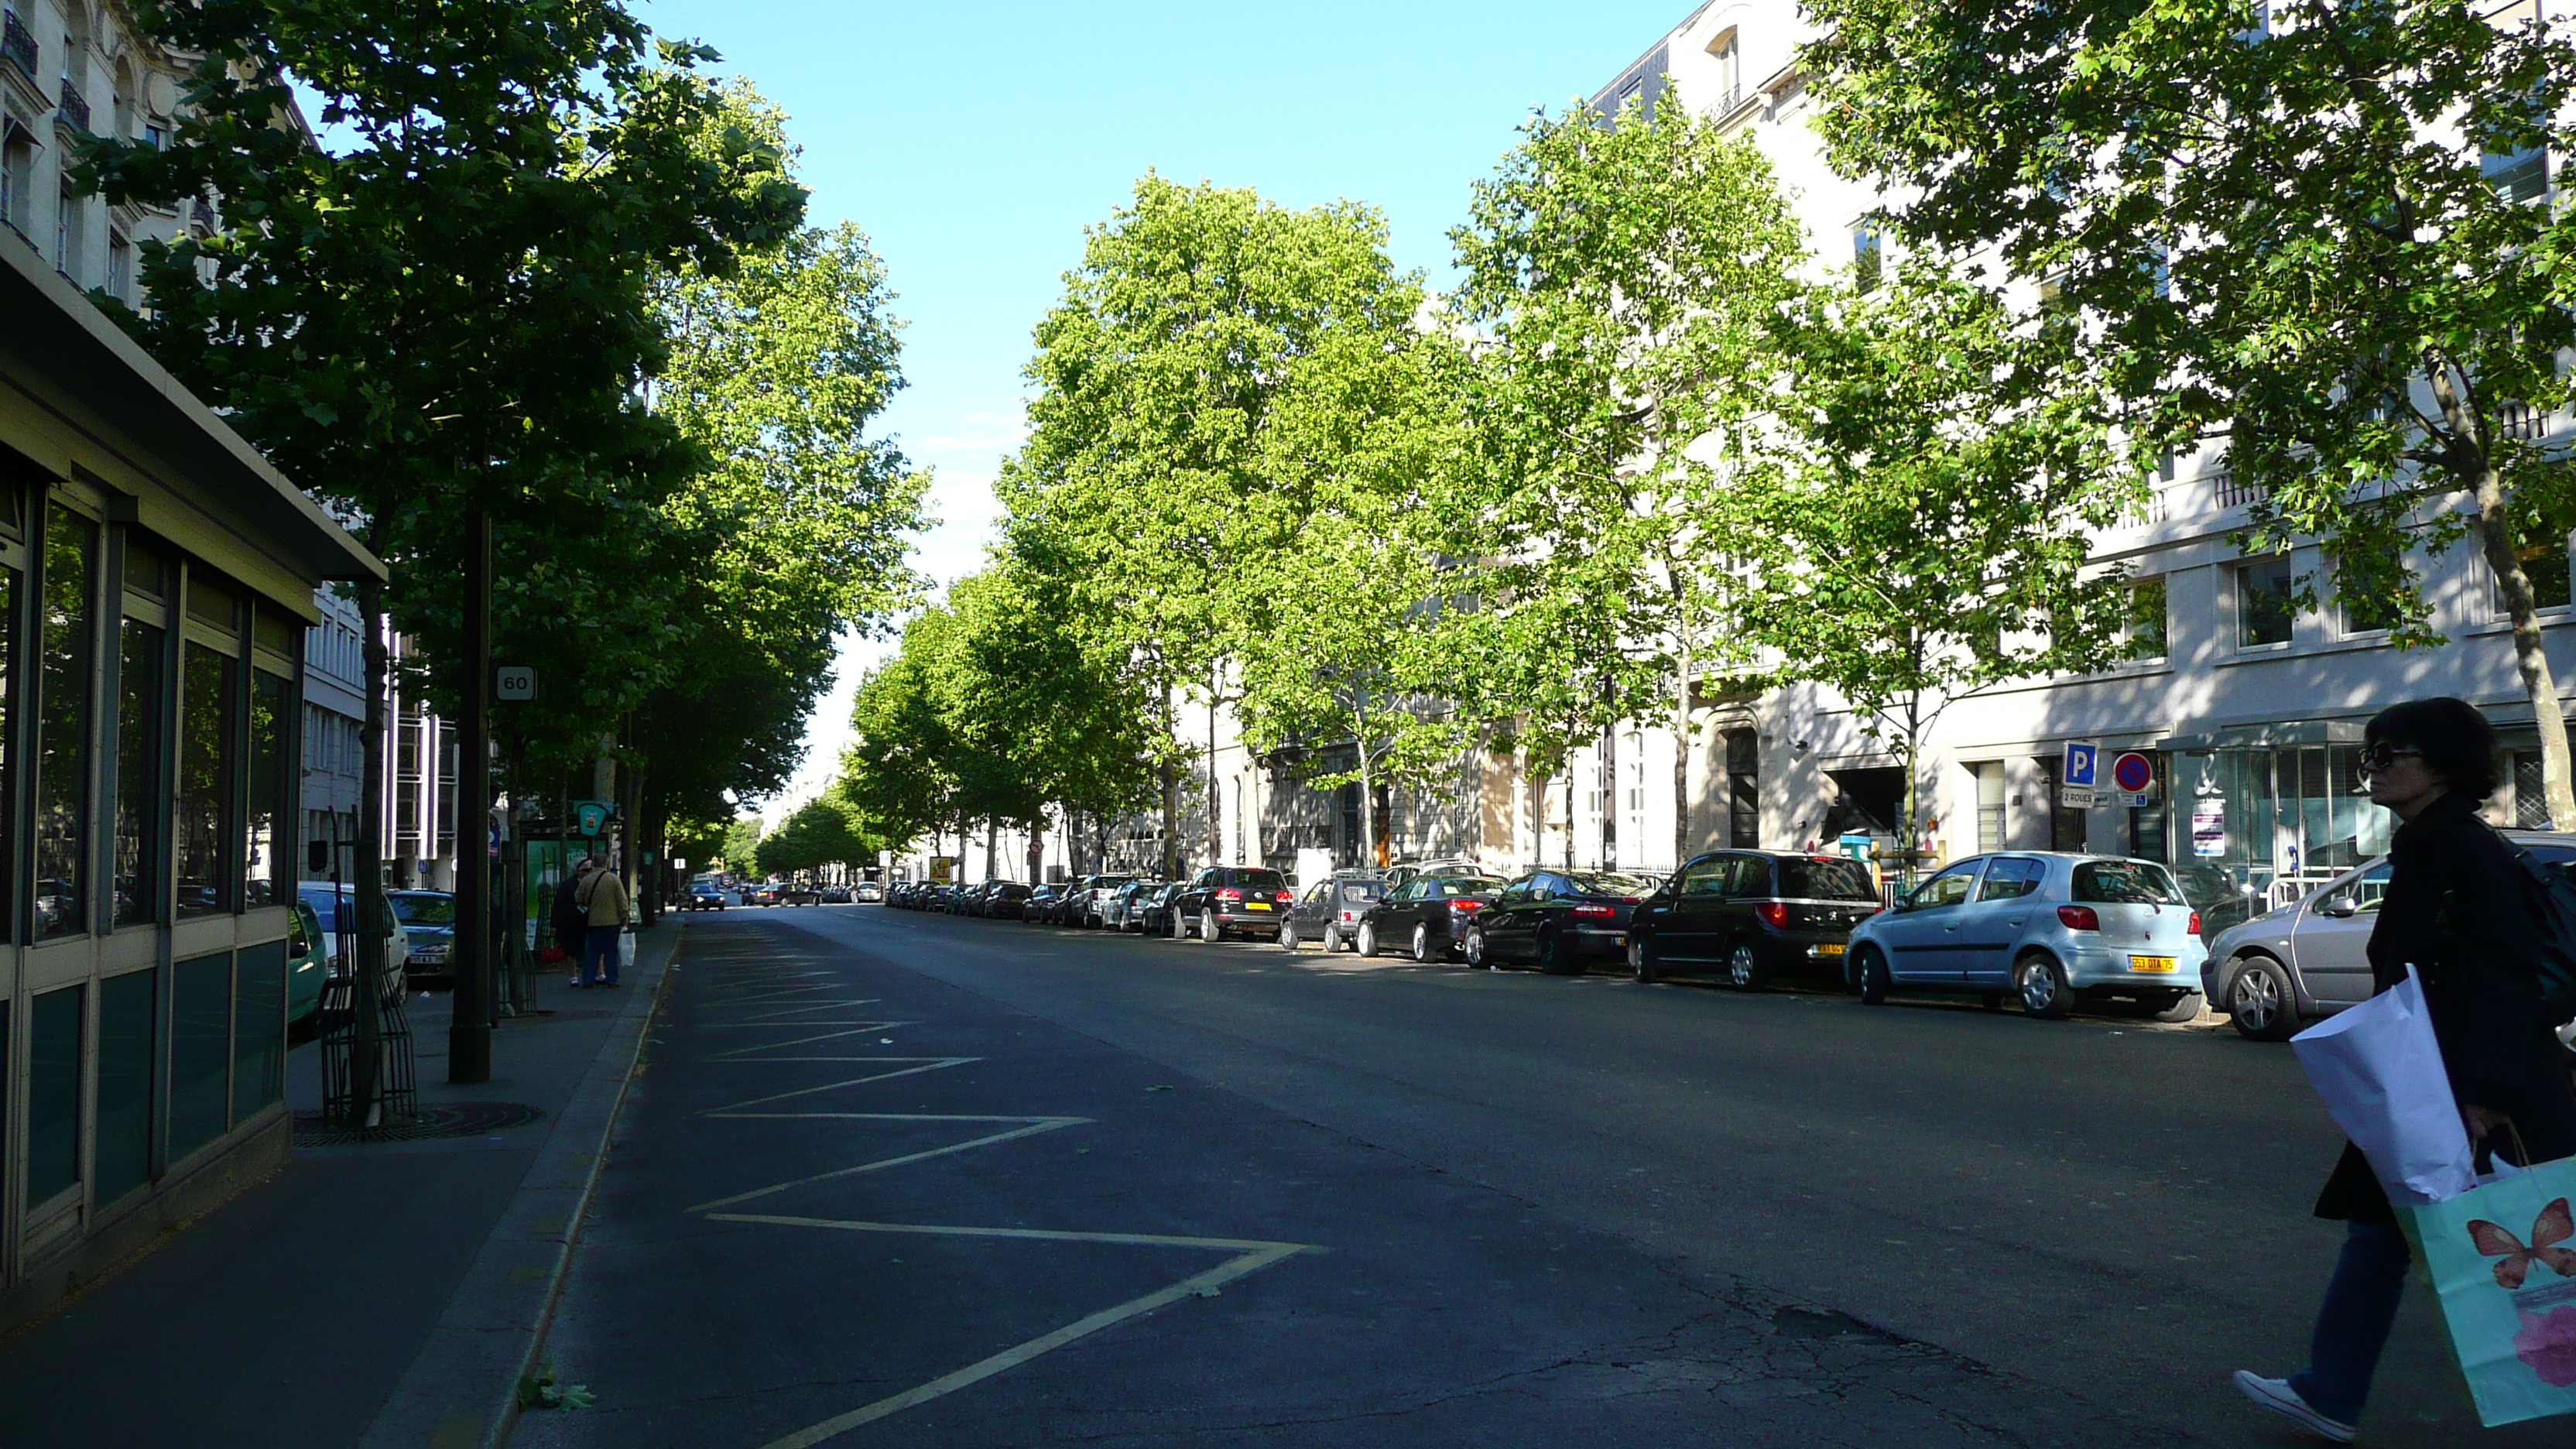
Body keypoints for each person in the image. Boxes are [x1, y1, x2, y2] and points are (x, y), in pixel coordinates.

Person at [2234, 697, 2576, 1442]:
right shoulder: (2434, 843)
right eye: (2371, 754)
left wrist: (2484, 1094)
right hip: (2433, 1078)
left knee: (2467, 1236)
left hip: (2467, 1086)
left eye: (2391, 755)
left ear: (2443, 767)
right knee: (2380, 1232)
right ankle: (2330, 1390)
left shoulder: (2455, 849)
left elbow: (2503, 974)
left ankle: (2331, 1389)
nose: (2374, 769)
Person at [576, 853, 632, 988]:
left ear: (594, 864)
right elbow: (622, 901)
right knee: (611, 952)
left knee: (592, 952)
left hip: (593, 922)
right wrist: (624, 917)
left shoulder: (587, 880)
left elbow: (578, 898)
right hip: (611, 921)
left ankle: (588, 980)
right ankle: (612, 979)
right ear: (606, 864)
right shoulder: (613, 880)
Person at [552, 859, 590, 988]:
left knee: (588, 948)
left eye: (591, 870)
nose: (588, 873)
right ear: (578, 871)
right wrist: (554, 924)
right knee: (571, 950)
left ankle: (592, 973)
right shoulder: (567, 885)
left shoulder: (593, 883)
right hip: (570, 922)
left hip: (587, 921)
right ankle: (573, 976)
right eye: (586, 870)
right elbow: (557, 905)